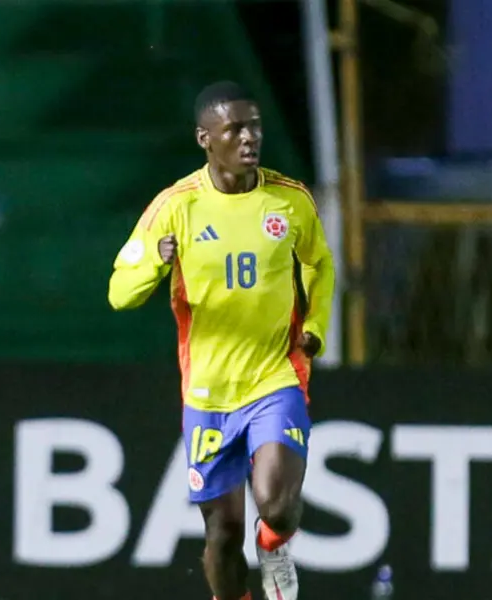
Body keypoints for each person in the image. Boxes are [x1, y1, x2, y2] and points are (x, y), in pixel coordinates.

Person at [107, 81, 334, 600]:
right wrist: (155, 264)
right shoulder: (175, 207)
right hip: (207, 393)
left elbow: (319, 262)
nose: (249, 137)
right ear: (205, 138)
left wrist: (315, 324)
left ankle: (274, 543)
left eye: (254, 125)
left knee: (275, 503)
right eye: (233, 128)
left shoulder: (289, 200)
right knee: (224, 532)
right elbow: (119, 292)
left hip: (274, 375)